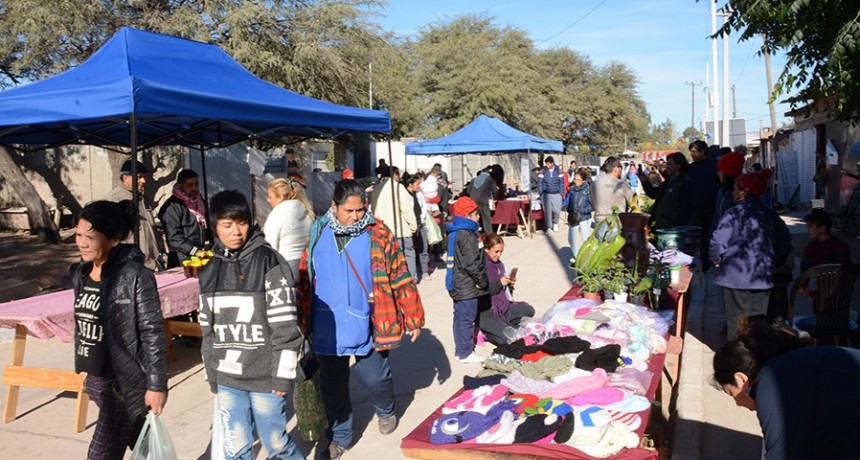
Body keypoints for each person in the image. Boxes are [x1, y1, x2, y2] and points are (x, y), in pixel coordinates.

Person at [297, 180, 425, 460]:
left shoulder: (377, 233)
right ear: (334, 206)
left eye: (360, 209)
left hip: (368, 320)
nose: (356, 216)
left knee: (376, 376)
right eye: (349, 211)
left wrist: (412, 315)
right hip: (326, 324)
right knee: (333, 386)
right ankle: (340, 436)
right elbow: (306, 274)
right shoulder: (319, 231)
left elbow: (399, 273)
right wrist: (300, 316)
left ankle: (386, 408)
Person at [198, 190, 305, 460]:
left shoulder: (270, 261)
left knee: (275, 445)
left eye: (242, 222)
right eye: (227, 225)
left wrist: (282, 375)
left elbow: (285, 326)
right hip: (227, 379)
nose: (236, 231)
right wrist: (213, 373)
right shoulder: (210, 269)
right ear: (214, 227)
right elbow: (207, 330)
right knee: (235, 449)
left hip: (265, 379)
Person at [72, 200, 167, 459]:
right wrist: (81, 366)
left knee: (101, 453)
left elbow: (153, 332)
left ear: (113, 240)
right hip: (96, 381)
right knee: (145, 448)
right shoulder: (80, 273)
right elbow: (82, 322)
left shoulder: (135, 275)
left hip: (124, 384)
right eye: (78, 235)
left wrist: (157, 385)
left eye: (90, 237)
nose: (82, 243)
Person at [713, 322, 860, 460]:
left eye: (731, 394)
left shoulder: (769, 381)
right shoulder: (787, 369)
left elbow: (781, 454)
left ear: (741, 379)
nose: (738, 404)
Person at [710, 169, 792, 341]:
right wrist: (774, 260)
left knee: (737, 323)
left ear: (744, 191)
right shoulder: (769, 213)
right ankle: (756, 358)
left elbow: (718, 241)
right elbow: (784, 240)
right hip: (762, 277)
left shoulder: (734, 213)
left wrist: (716, 260)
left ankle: (737, 359)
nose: (732, 192)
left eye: (735, 189)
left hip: (735, 277)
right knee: (758, 324)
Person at [446, 196, 504, 363]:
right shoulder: (466, 235)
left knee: (460, 318)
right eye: (476, 214)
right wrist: (483, 282)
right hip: (466, 284)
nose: (478, 217)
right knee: (465, 319)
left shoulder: (457, 231)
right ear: (468, 215)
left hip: (459, 282)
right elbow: (472, 263)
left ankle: (461, 349)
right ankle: (464, 352)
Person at [105, 159, 162, 271]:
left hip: (150, 262)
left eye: (144, 177)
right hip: (130, 264)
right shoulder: (115, 200)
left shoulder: (142, 199)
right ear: (125, 178)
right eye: (139, 177)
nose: (143, 181)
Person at [481, 233, 535, 345]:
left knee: (528, 310)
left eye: (501, 251)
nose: (499, 255)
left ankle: (504, 325)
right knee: (508, 339)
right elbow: (482, 292)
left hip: (503, 307)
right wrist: (500, 283)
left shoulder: (499, 265)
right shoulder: (480, 266)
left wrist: (509, 284)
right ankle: (485, 332)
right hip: (487, 311)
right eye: (496, 251)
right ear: (486, 249)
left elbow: (504, 292)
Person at [369, 166, 419, 279]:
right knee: (408, 254)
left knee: (388, 258)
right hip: (400, 230)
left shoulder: (376, 188)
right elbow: (406, 209)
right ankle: (411, 279)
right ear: (395, 175)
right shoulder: (398, 187)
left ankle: (393, 279)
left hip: (382, 230)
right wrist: (413, 225)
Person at [158, 169, 209, 268]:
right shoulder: (172, 207)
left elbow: (208, 226)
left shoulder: (200, 202)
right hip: (181, 257)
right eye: (190, 185)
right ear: (180, 187)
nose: (194, 188)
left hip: (199, 254)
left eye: (196, 184)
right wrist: (194, 251)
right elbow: (174, 237)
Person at [264, 177, 314, 276]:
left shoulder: (277, 214)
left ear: (280, 197)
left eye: (270, 196)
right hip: (306, 265)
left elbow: (270, 247)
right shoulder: (307, 210)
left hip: (285, 266)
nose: (268, 200)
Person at [642, 152, 694, 230]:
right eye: (667, 164)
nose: (667, 166)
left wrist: (678, 229)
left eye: (670, 164)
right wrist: (644, 180)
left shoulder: (685, 183)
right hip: (661, 227)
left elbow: (685, 210)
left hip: (674, 230)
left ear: (679, 164)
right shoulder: (667, 182)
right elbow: (653, 194)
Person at [687, 140, 720, 263]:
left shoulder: (715, 164)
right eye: (691, 152)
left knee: (710, 234)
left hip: (712, 206)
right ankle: (701, 260)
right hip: (695, 208)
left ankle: (710, 259)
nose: (692, 155)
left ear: (703, 151)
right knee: (698, 236)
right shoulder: (690, 168)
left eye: (695, 152)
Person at [403, 172, 431, 282]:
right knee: (410, 250)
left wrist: (422, 219)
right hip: (409, 226)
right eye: (417, 183)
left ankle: (424, 272)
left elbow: (423, 207)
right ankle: (412, 273)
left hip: (420, 224)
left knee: (423, 248)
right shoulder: (404, 195)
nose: (418, 186)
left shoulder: (418, 194)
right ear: (410, 184)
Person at [591, 156, 633, 223]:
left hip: (599, 222)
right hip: (616, 223)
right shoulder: (621, 184)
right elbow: (633, 203)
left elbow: (593, 204)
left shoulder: (595, 183)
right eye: (620, 168)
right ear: (616, 169)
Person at [566, 168, 594, 267]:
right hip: (574, 218)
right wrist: (569, 210)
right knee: (570, 239)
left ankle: (586, 261)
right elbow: (569, 202)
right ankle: (579, 258)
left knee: (585, 240)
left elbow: (593, 205)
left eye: (577, 179)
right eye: (574, 179)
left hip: (584, 218)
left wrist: (583, 211)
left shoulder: (588, 190)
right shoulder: (572, 189)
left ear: (583, 180)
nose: (575, 181)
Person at [713, 152, 745, 227]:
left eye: (720, 170)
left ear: (727, 174)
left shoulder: (736, 195)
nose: (718, 173)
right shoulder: (723, 190)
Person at [467, 167, 498, 234]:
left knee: (474, 217)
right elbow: (495, 190)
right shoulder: (490, 180)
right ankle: (489, 234)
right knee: (486, 218)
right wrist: (494, 198)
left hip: (473, 201)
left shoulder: (474, 180)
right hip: (483, 201)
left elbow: (468, 191)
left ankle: (474, 232)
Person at [538, 156, 564, 232]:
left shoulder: (559, 171)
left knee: (557, 210)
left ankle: (555, 223)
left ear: (552, 163)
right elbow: (540, 182)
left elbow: (561, 182)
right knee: (547, 211)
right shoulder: (543, 171)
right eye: (546, 163)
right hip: (546, 194)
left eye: (548, 164)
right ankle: (549, 227)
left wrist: (561, 193)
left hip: (557, 193)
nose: (547, 165)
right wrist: (541, 193)